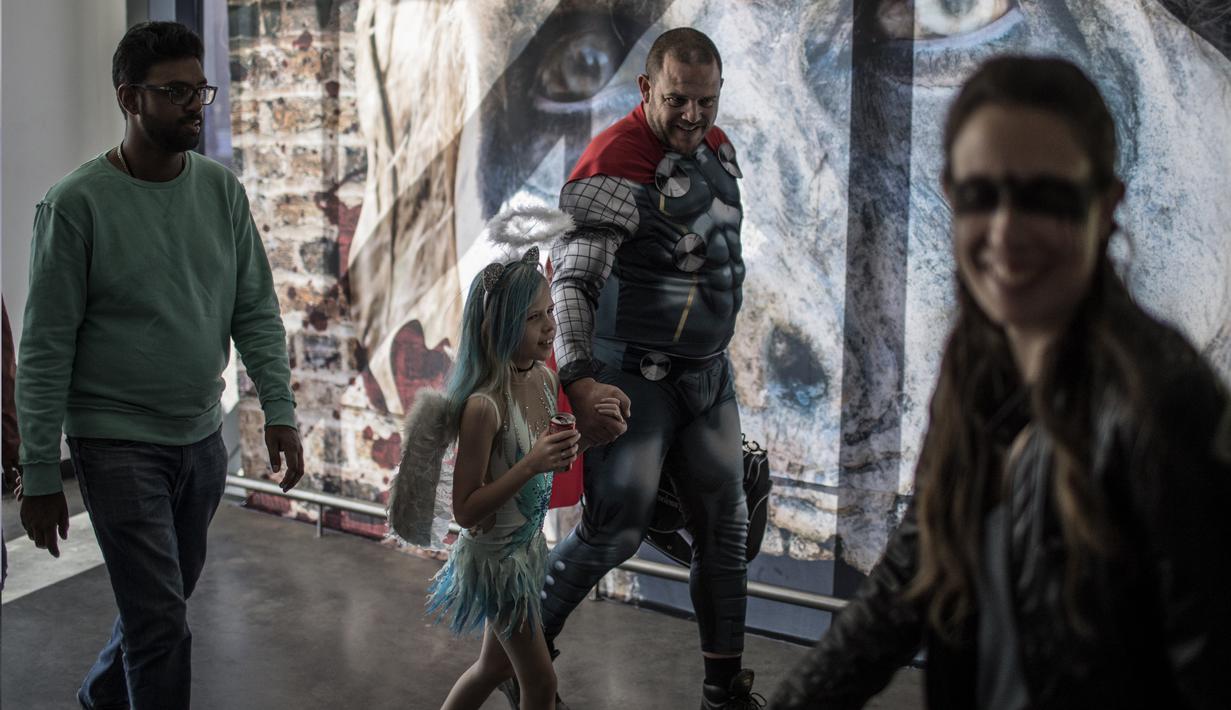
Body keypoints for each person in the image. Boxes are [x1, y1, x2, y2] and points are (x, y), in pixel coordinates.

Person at [771, 55, 1231, 709]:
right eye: (980, 196)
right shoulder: (975, 367)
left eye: (1044, 197)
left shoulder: (1163, 402)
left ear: (1105, 205)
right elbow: (907, 582)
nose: (1006, 231)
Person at [15, 21, 303, 709]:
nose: (193, 105)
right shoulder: (75, 205)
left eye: (197, 90)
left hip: (199, 437)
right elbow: (45, 344)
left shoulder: (220, 192)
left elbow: (256, 311)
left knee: (158, 610)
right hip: (114, 441)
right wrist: (35, 467)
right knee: (163, 624)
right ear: (129, 98)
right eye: (173, 92)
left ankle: (98, 700)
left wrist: (280, 412)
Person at [497, 28, 758, 710]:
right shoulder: (613, 162)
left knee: (725, 530)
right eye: (677, 100)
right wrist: (581, 382)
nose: (693, 116)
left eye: (706, 100)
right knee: (613, 530)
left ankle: (723, 691)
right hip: (632, 376)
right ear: (647, 89)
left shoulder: (717, 150)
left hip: (707, 374)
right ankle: (522, 676)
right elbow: (572, 283)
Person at [424, 245, 607, 710]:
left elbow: (550, 466)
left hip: (526, 549)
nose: (551, 326)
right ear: (501, 325)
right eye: (533, 318)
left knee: (494, 667)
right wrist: (532, 463)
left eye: (550, 312)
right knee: (541, 685)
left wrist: (592, 437)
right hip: (496, 562)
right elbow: (466, 510)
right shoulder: (484, 406)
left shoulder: (545, 381)